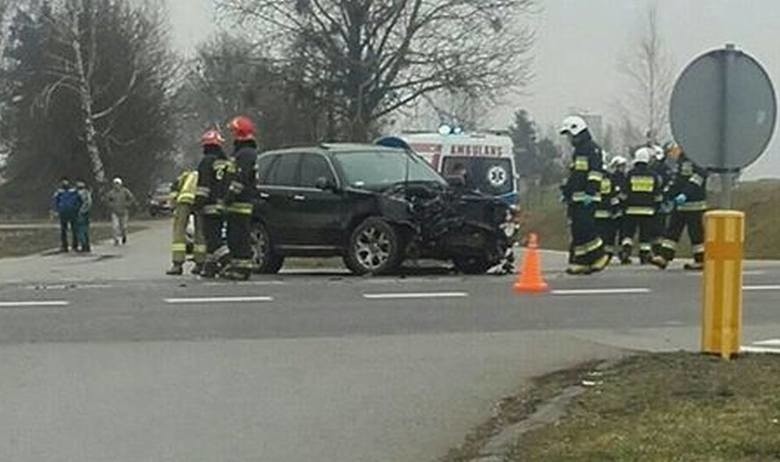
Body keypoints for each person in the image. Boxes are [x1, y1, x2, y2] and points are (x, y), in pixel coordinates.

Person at [559, 115, 609, 275]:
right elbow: (576, 176)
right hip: (577, 198)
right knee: (578, 231)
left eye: (569, 135)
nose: (568, 138)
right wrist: (566, 191)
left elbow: (595, 172)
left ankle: (600, 255)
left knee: (586, 228)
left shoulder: (591, 149)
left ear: (577, 131)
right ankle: (581, 262)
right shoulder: (579, 151)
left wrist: (590, 191)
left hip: (587, 197)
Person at [651, 143, 708, 270]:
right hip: (680, 205)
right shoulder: (681, 160)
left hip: (695, 204)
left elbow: (698, 178)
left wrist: (685, 194)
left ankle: (701, 260)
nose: (673, 153)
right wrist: (667, 195)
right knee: (672, 230)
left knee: (696, 233)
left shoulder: (697, 158)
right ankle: (664, 257)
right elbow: (678, 180)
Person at [221, 116, 259, 281]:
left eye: (233, 132)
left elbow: (241, 178)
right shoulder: (241, 152)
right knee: (233, 235)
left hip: (241, 203)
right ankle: (236, 266)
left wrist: (230, 195)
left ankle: (243, 268)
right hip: (237, 203)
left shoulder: (246, 154)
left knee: (240, 236)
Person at [195, 129, 231, 279]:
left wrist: (198, 203)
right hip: (224, 204)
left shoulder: (206, 162)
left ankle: (227, 261)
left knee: (212, 238)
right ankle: (210, 267)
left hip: (209, 206)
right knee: (215, 236)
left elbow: (203, 186)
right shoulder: (225, 162)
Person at [619, 147, 664, 264]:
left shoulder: (630, 174)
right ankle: (644, 256)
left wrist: (623, 206)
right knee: (645, 235)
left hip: (630, 211)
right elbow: (658, 196)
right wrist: (656, 208)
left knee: (628, 233)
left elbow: (623, 193)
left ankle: (626, 251)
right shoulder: (653, 175)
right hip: (648, 212)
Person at [167, 169, 207, 275]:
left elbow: (174, 192)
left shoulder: (184, 176)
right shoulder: (203, 174)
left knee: (179, 230)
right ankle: (200, 264)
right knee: (200, 231)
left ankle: (177, 264)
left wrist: (173, 205)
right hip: (199, 199)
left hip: (184, 200)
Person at [103, 177, 136, 246]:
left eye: (118, 184)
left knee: (123, 227)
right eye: (115, 184)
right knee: (115, 227)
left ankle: (124, 236)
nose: (116, 185)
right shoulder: (111, 193)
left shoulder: (125, 191)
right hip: (115, 212)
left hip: (124, 212)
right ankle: (116, 239)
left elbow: (131, 198)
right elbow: (106, 200)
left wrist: (127, 204)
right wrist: (110, 205)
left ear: (120, 184)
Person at [52, 178, 81, 252]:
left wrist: (77, 209)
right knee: (65, 230)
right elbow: (55, 202)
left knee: (72, 230)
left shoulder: (72, 192)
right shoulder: (60, 193)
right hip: (65, 213)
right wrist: (57, 210)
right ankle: (66, 246)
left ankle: (73, 245)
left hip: (70, 212)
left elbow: (79, 201)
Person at [75, 181, 92, 253]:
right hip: (87, 213)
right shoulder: (87, 193)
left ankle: (83, 245)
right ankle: (87, 245)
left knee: (80, 230)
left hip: (80, 213)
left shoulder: (78, 194)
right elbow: (89, 203)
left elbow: (77, 204)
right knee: (86, 230)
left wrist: (80, 211)